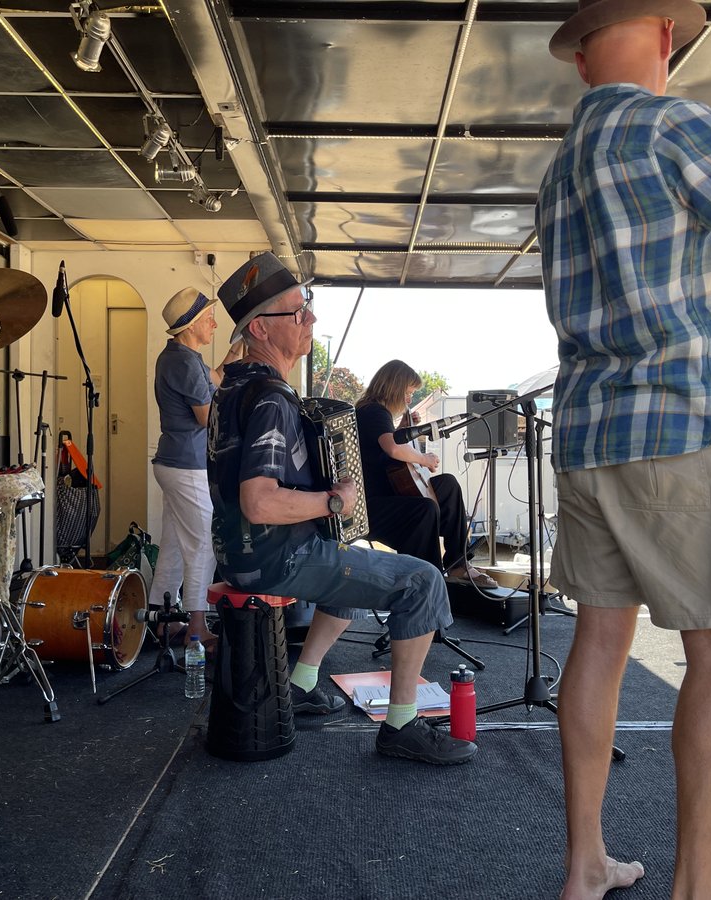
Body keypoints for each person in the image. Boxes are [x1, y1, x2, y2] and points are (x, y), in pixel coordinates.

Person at [537, 2, 711, 896]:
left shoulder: (558, 171)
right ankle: (697, 890)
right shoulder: (677, 124)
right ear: (667, 35)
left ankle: (585, 863)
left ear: (582, 61)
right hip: (687, 423)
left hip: (591, 433)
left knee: (600, 638)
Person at [206, 252, 476, 765]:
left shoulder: (232, 390)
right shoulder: (270, 399)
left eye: (306, 308)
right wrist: (335, 499)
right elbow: (259, 501)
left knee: (344, 548)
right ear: (261, 328)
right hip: (276, 558)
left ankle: (303, 680)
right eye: (298, 313)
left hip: (237, 554)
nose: (310, 320)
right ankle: (402, 725)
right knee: (422, 581)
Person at [149, 288, 244, 645]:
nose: (214, 324)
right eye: (208, 319)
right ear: (190, 326)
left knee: (174, 544)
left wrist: (234, 351)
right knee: (205, 540)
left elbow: (215, 379)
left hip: (175, 463)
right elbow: (207, 417)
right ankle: (197, 628)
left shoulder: (181, 355)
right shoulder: (184, 362)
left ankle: (161, 618)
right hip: (186, 465)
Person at [355, 359, 497, 588]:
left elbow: (386, 450)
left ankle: (457, 562)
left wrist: (401, 428)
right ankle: (429, 582)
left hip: (388, 494)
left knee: (448, 485)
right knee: (425, 508)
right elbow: (392, 448)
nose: (409, 399)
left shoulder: (374, 412)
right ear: (394, 387)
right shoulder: (374, 412)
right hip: (373, 506)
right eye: (408, 392)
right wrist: (424, 459)